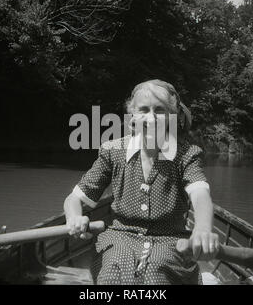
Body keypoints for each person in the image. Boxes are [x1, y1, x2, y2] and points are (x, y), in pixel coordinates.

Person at [63, 79, 220, 284]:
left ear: (172, 117)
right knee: (113, 270)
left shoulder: (187, 155)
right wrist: (75, 217)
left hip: (171, 240)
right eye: (143, 109)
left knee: (156, 273)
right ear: (132, 116)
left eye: (160, 110)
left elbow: (200, 195)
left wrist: (203, 230)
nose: (151, 118)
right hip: (119, 237)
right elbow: (74, 199)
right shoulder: (112, 151)